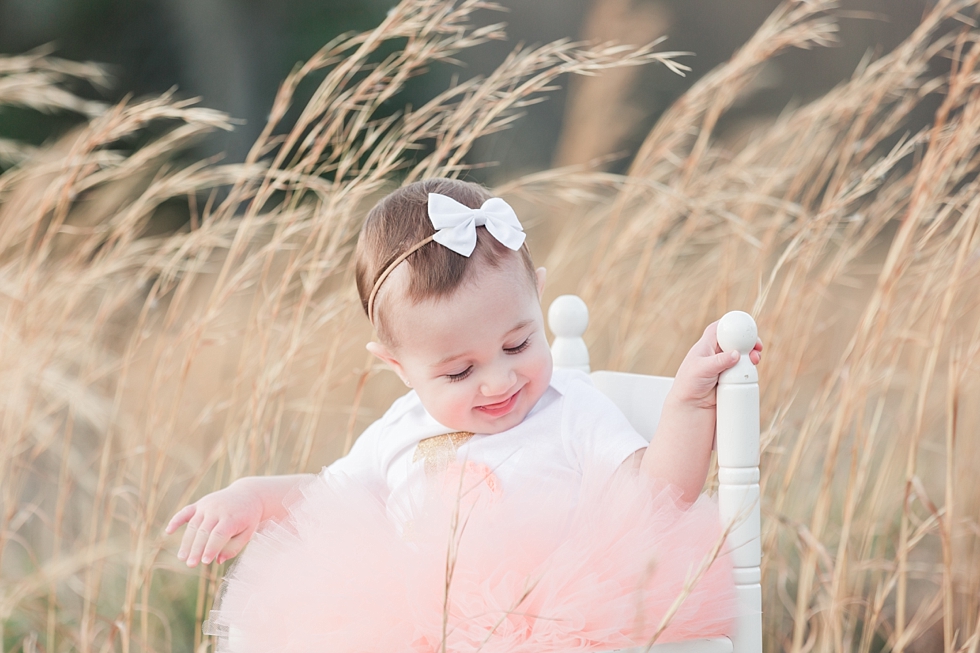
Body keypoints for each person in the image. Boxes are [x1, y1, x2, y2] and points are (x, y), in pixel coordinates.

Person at [166, 178, 763, 653]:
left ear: (539, 296)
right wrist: (253, 497)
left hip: (554, 627)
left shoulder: (570, 408)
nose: (499, 380)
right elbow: (327, 499)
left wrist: (687, 405)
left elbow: (657, 495)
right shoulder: (399, 432)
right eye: (458, 372)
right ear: (397, 366)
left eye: (518, 345)